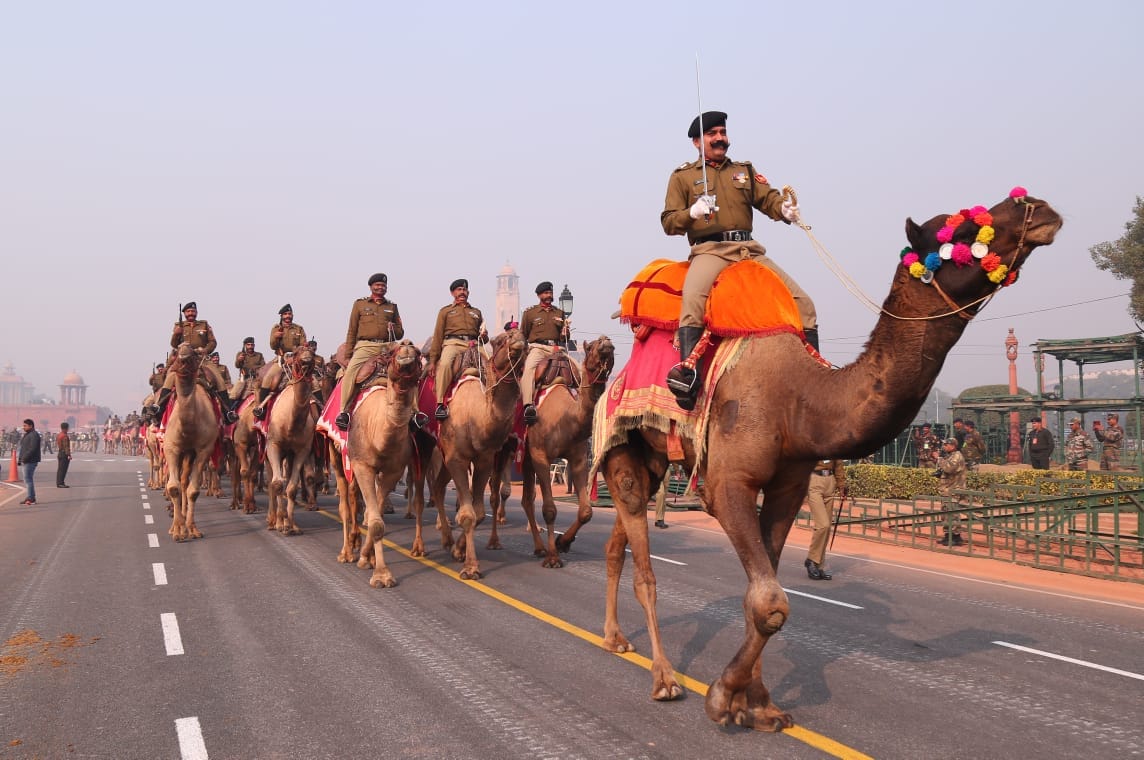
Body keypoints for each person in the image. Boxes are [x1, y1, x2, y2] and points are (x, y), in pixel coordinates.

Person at [661, 110, 814, 410]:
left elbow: (768, 198)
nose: (720, 138)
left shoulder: (744, 170)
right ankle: (689, 379)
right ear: (697, 142)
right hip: (711, 250)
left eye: (722, 132)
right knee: (692, 301)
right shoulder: (682, 177)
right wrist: (692, 213)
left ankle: (813, 378)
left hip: (748, 249)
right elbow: (668, 222)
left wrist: (783, 210)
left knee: (803, 303)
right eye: (712, 134)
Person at [335, 273, 404, 430]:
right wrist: (348, 354)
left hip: (388, 345)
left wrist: (394, 328)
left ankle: (414, 412)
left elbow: (400, 333)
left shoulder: (392, 307)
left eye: (383, 285)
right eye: (378, 285)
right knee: (351, 371)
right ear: (371, 287)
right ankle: (344, 412)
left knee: (409, 365)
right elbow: (352, 330)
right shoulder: (359, 304)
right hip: (366, 346)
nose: (381, 287)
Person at [153, 302, 237, 423]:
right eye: (188, 312)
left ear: (196, 312)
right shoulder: (178, 326)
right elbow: (174, 344)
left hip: (201, 359)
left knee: (219, 379)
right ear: (184, 314)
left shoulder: (204, 325)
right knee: (170, 377)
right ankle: (159, 409)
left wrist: (205, 350)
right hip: (183, 360)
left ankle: (228, 412)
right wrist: (176, 334)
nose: (191, 313)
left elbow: (213, 342)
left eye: (193, 311)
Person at [428, 278, 488, 421]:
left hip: (474, 344)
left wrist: (484, 336)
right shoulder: (445, 311)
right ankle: (440, 404)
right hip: (453, 343)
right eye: (459, 290)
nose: (462, 292)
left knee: (491, 365)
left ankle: (493, 400)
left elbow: (484, 339)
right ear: (452, 293)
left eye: (464, 290)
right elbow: (438, 335)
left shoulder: (476, 312)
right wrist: (433, 360)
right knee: (445, 365)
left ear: (468, 292)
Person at [520, 281, 569, 425]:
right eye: (546, 293)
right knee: (529, 370)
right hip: (538, 348)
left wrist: (565, 334)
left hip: (557, 349)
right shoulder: (530, 313)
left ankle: (582, 404)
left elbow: (564, 338)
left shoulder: (559, 313)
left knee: (578, 370)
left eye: (550, 293)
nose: (549, 295)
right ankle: (528, 405)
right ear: (539, 295)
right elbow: (524, 334)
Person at [253, 304, 309, 419]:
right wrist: (276, 337)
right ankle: (262, 410)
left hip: (296, 361)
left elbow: (303, 346)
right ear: (282, 316)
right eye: (285, 314)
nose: (288, 316)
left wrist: (294, 357)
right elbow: (272, 346)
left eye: (289, 314)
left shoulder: (299, 329)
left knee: (314, 383)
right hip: (281, 361)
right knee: (267, 379)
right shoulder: (276, 328)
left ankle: (321, 412)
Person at [805, 458, 846, 579]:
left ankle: (819, 566)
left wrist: (842, 485)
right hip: (814, 479)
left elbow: (838, 463)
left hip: (830, 481)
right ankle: (811, 560)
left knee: (827, 529)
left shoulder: (834, 446)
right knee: (823, 525)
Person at [935, 438, 967, 546]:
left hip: (953, 489)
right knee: (947, 514)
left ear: (953, 446)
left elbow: (949, 468)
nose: (944, 446)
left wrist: (939, 459)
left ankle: (954, 537)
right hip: (948, 489)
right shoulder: (951, 456)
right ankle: (950, 536)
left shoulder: (957, 456)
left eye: (946, 445)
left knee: (952, 514)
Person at [17, 419, 41, 505]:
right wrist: (20, 459)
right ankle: (31, 496)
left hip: (30, 460)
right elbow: (23, 448)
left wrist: (24, 458)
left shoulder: (34, 435)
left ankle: (31, 498)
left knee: (28, 480)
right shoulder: (28, 434)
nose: (23, 427)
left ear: (31, 426)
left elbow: (32, 449)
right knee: (27, 479)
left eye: (25, 426)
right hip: (27, 460)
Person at [56, 422, 72, 488]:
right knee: (63, 469)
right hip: (64, 454)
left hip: (60, 452)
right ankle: (61, 483)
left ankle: (59, 482)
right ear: (66, 428)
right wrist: (69, 455)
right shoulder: (64, 436)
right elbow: (66, 446)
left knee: (60, 469)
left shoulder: (59, 435)